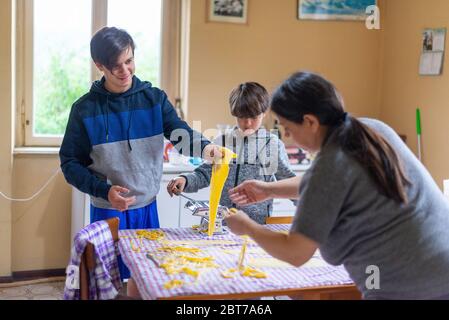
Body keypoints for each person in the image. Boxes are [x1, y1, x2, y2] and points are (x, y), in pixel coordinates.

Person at [225, 71, 449, 300]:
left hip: (407, 285)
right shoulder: (372, 129)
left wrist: (248, 227)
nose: (288, 136)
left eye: (288, 129)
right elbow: (328, 182)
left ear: (310, 122)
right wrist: (268, 189)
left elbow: (296, 252)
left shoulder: (329, 166)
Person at [59, 27, 221, 296]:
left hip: (148, 206)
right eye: (115, 66)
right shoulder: (84, 109)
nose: (125, 71)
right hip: (108, 209)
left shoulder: (154, 99)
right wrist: (104, 191)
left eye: (129, 61)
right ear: (100, 66)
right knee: (107, 282)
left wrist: (207, 148)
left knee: (146, 277)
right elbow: (69, 163)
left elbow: (179, 133)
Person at [167, 82, 296, 224]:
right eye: (242, 117)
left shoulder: (272, 145)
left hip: (256, 226)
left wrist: (309, 209)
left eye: (253, 117)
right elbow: (204, 174)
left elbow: (287, 181)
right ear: (234, 114)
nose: (247, 123)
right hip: (220, 224)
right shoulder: (222, 141)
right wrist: (185, 180)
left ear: (264, 114)